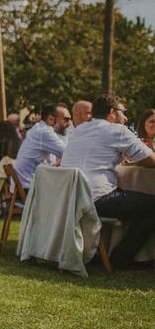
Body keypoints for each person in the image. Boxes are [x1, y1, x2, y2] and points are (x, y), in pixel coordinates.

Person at [61, 94, 155, 270]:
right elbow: (150, 160)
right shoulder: (116, 130)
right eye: (123, 112)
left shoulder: (79, 130)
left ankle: (109, 253)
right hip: (96, 199)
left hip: (69, 199)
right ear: (112, 112)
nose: (126, 118)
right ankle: (122, 258)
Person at [13, 104, 66, 190]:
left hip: (21, 187)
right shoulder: (45, 132)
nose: (69, 123)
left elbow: (48, 164)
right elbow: (68, 153)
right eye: (65, 119)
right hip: (29, 189)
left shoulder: (37, 128)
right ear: (51, 119)